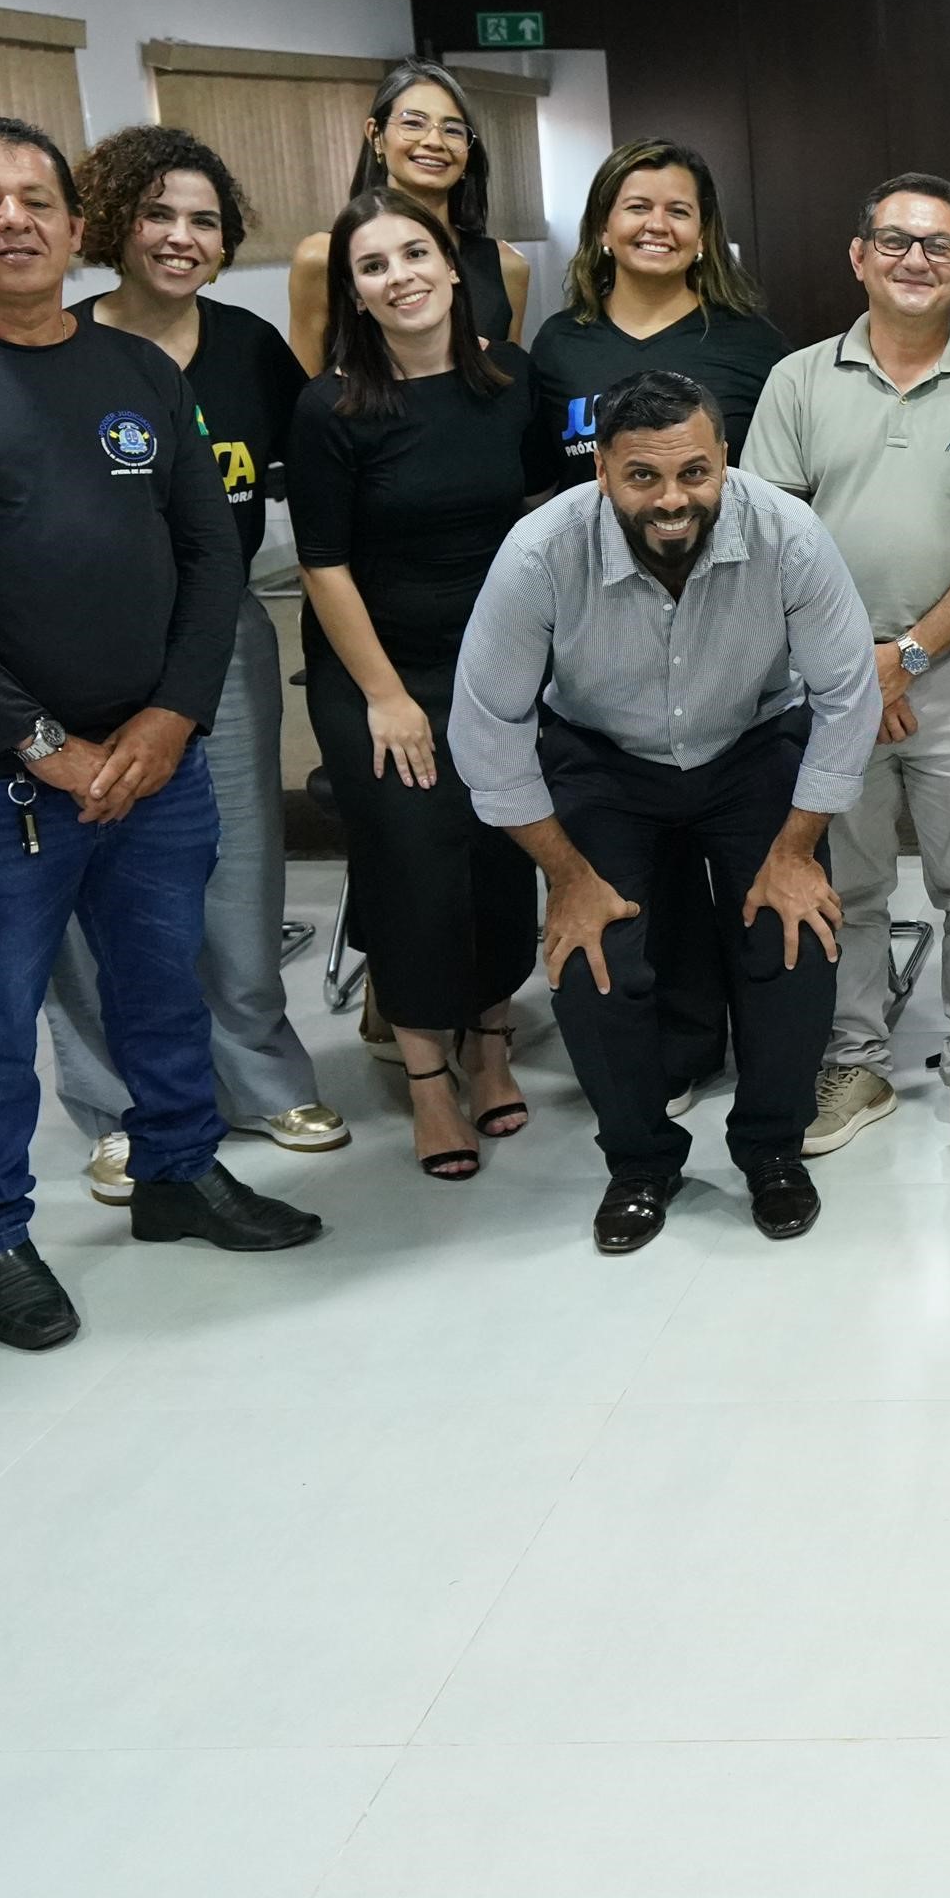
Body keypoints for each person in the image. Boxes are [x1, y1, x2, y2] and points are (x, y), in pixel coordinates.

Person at [0, 117, 321, 1354]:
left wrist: (168, 717)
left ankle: (177, 1174)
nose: (16, 220)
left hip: (156, 759)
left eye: (38, 198)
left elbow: (218, 551)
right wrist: (40, 743)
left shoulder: (137, 370)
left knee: (163, 985)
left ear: (75, 225)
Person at [453, 369, 878, 1254]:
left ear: (724, 459)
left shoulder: (788, 535)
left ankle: (771, 1149)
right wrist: (566, 877)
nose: (673, 500)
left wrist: (798, 848)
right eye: (644, 477)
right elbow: (488, 728)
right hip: (603, 758)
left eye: (693, 472)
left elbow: (847, 696)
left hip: (751, 744)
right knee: (592, 953)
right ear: (602, 470)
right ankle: (640, 1162)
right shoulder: (539, 552)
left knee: (794, 935)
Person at [40, 126, 344, 1205]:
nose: (180, 237)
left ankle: (260, 1074)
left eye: (203, 221)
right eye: (159, 214)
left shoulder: (250, 348)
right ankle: (114, 1108)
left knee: (242, 867)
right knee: (91, 878)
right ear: (112, 222)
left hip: (221, 644)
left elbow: (303, 493)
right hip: (82, 657)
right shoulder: (54, 347)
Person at [743, 173, 950, 1158]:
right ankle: (858, 1059)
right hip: (826, 678)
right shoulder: (795, 382)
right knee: (850, 881)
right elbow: (768, 548)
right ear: (858, 256)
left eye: (938, 247)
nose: (916, 260)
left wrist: (905, 657)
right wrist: (855, 666)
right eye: (895, 242)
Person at [291, 188, 566, 1179]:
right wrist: (387, 697)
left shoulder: (509, 381)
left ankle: (490, 1048)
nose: (399, 275)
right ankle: (423, 1080)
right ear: (354, 295)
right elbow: (322, 564)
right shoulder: (330, 408)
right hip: (378, 675)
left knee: (500, 853)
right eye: (373, 266)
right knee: (411, 863)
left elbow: (540, 515)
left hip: (496, 666)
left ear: (454, 268)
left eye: (415, 253)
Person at [530, 137, 794, 466]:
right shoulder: (558, 343)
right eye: (637, 207)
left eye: (678, 211)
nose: (657, 225)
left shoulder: (755, 343)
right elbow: (538, 482)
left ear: (701, 236)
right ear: (604, 229)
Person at [287, 61, 527, 372]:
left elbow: (512, 383)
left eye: (452, 130)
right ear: (376, 136)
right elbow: (304, 388)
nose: (434, 142)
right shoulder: (322, 257)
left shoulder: (508, 265)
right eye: (413, 123)